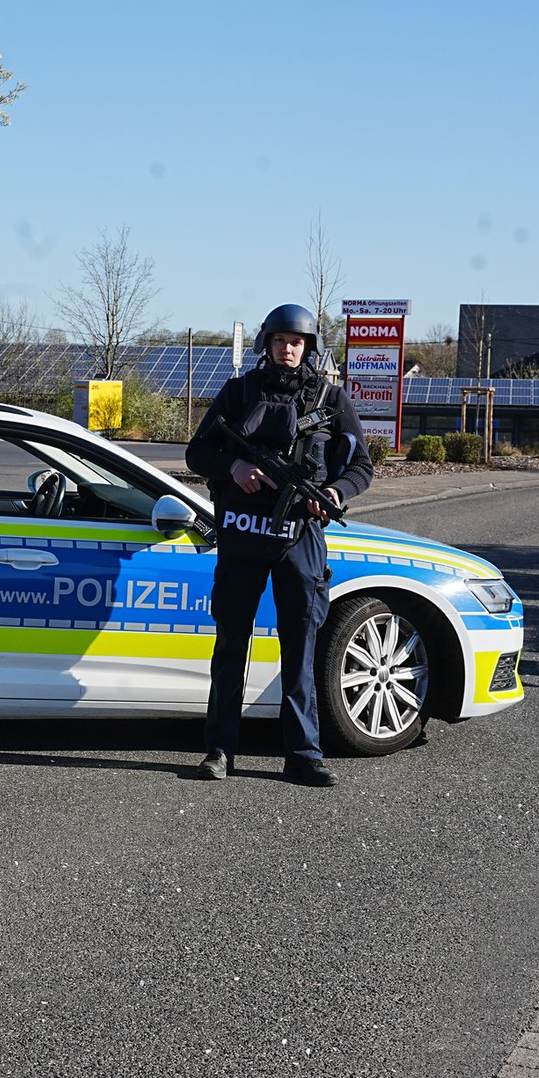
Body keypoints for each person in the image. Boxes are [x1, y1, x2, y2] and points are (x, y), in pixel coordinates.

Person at [186, 303, 373, 787]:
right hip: (243, 533)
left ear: (309, 348)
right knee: (232, 644)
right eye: (279, 341)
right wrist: (233, 468)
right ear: (266, 343)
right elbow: (198, 451)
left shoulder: (331, 399)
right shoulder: (239, 392)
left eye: (297, 342)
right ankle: (219, 750)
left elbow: (361, 468)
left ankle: (303, 755)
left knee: (302, 645)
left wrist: (334, 493)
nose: (288, 349)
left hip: (300, 537)